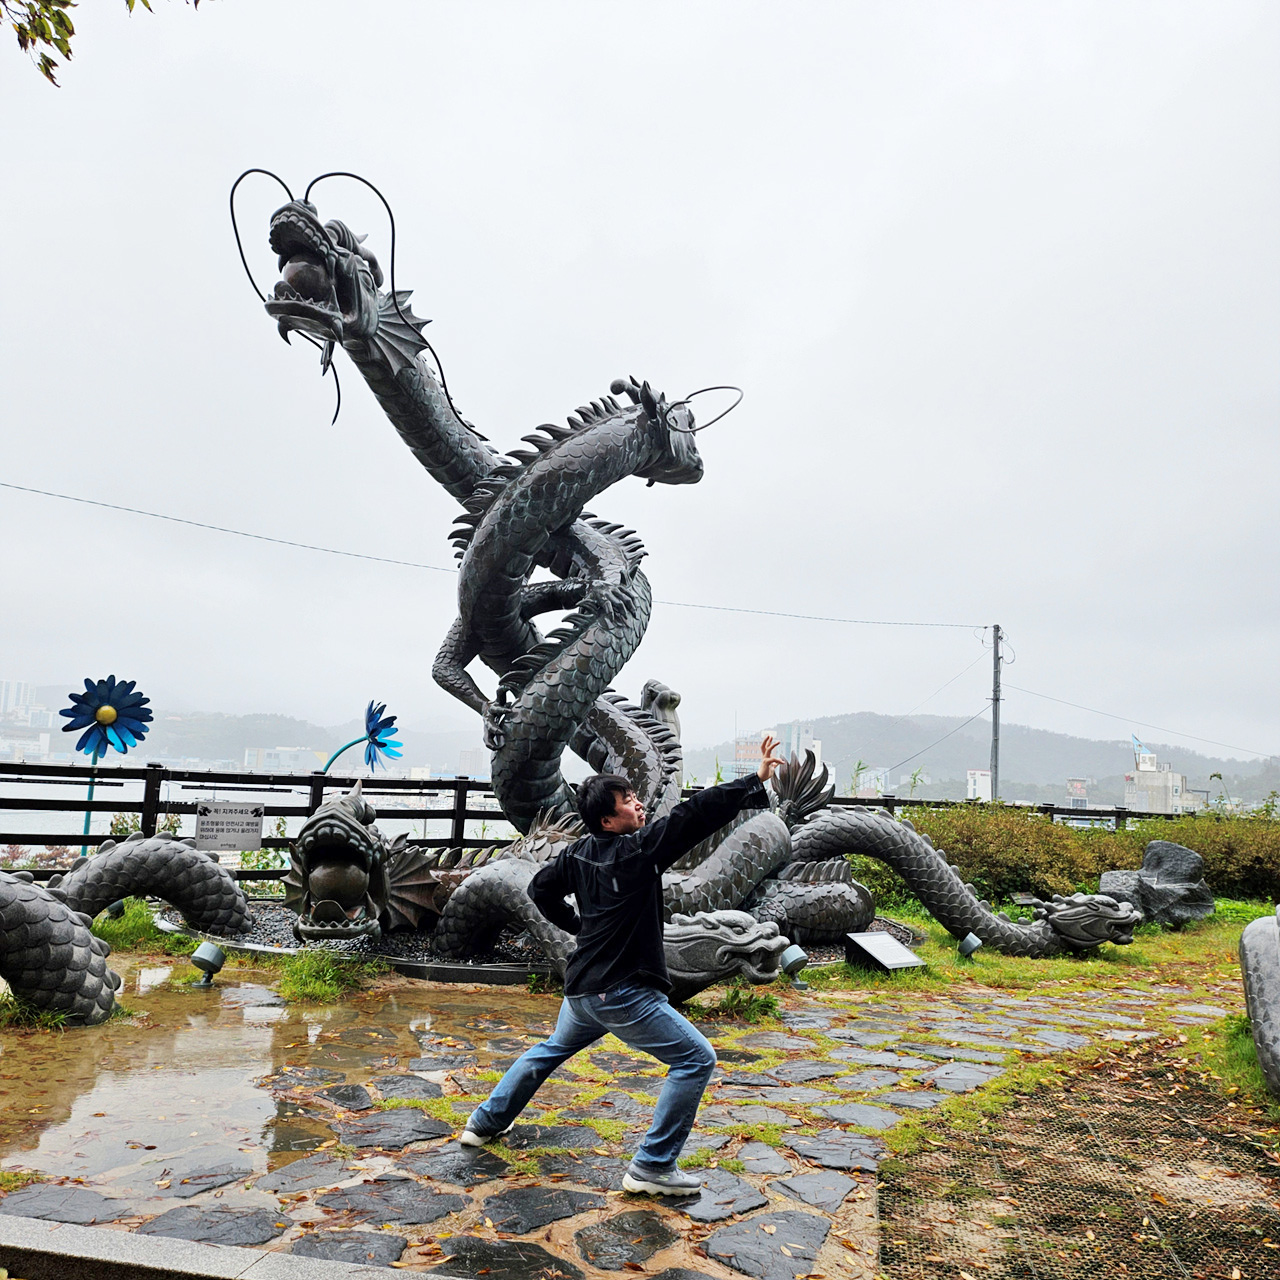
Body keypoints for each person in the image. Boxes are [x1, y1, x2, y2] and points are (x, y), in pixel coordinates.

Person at [459, 733, 787, 1195]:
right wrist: (754, 780)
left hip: (582, 990)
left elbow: (539, 890)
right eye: (628, 801)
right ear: (608, 821)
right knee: (696, 1058)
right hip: (620, 991)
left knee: (549, 1050)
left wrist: (576, 925)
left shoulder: (576, 853)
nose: (638, 804)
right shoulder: (638, 852)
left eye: (634, 796)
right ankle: (652, 1166)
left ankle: (484, 1123)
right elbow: (692, 816)